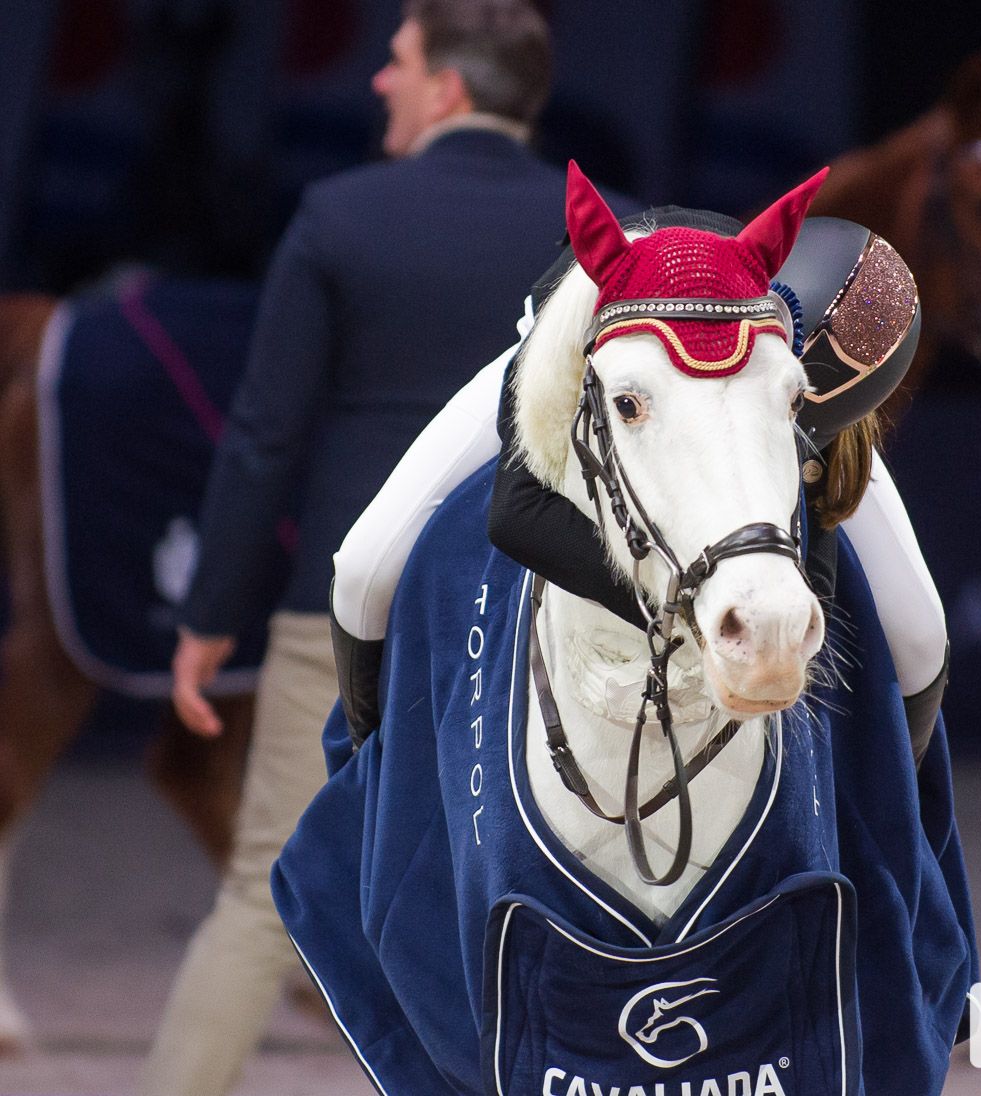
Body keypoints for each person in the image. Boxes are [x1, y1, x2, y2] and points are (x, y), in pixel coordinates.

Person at [140, 4, 635, 1094]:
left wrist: (209, 616)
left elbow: (265, 436)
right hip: (540, 615)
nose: (376, 82)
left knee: (265, 889)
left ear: (447, 88)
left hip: (352, 611)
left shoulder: (340, 215)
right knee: (566, 895)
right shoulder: (608, 234)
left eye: (397, 62)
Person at [330, 211, 950, 767]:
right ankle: (369, 771)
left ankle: (898, 826)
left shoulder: (789, 393)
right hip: (595, 345)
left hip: (751, 380)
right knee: (364, 565)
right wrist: (692, 618)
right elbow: (515, 513)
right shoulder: (590, 311)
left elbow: (810, 564)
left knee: (921, 636)